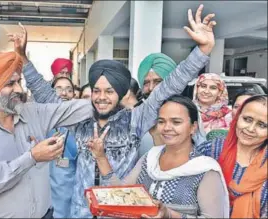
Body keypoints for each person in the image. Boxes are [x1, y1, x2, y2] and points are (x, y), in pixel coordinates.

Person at [23, 4, 216, 217]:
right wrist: (24, 61)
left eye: (109, 91)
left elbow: (169, 86)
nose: (101, 97)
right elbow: (48, 98)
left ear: (122, 94)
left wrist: (202, 51)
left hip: (121, 212)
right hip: (81, 211)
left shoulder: (135, 119)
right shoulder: (79, 120)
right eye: (96, 90)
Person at [0, 47, 94, 217]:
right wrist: (31, 157)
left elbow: (71, 110)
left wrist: (104, 99)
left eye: (19, 82)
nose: (20, 90)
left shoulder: (32, 112)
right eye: (10, 84)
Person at [89, 95, 229, 218]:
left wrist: (169, 215)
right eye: (161, 121)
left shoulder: (204, 170)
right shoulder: (150, 158)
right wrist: (101, 157)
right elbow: (123, 194)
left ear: (193, 127)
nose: (167, 127)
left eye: (176, 122)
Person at [196, 94, 267, 218]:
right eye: (247, 119)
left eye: (262, 125)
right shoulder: (210, 151)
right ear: (237, 117)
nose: (250, 129)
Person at [48, 77, 79, 218]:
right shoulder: (42, 122)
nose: (64, 93)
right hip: (45, 193)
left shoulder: (80, 126)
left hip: (70, 194)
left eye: (69, 89)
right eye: (58, 89)